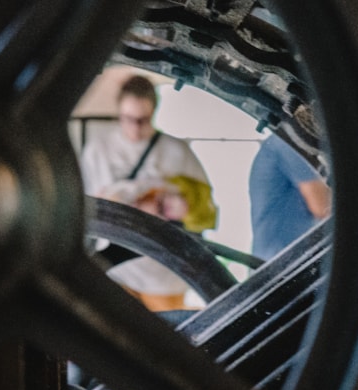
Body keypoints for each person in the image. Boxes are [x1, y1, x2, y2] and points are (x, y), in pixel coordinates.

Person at [80, 75, 217, 311]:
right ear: (119, 112)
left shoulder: (176, 151)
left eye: (142, 120)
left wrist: (180, 206)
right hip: (116, 270)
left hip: (164, 275)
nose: (135, 127)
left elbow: (204, 213)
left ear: (153, 112)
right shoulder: (97, 151)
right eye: (128, 119)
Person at [248, 134, 331, 261]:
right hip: (284, 262)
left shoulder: (281, 144)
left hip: (287, 258)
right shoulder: (283, 143)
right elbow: (324, 207)